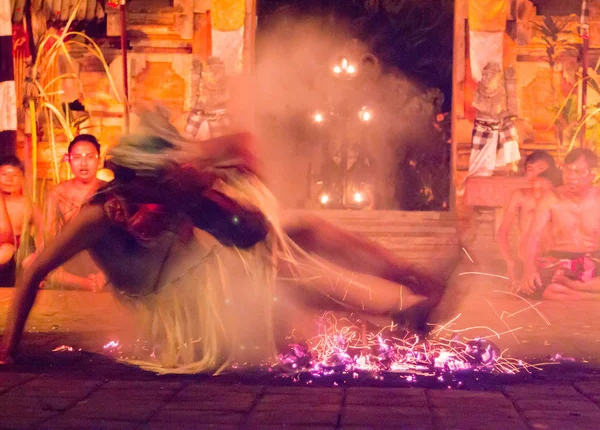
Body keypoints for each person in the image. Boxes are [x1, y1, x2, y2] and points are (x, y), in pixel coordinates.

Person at [0, 107, 448, 373]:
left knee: (301, 235)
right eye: (165, 180)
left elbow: (240, 145)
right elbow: (35, 270)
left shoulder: (175, 178)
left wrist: (228, 176)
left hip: (208, 263)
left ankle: (412, 281)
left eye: (173, 177)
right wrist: (9, 351)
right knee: (279, 283)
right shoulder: (99, 215)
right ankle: (398, 311)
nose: (171, 184)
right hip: (189, 313)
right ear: (138, 182)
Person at [517, 148, 600, 300]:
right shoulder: (551, 198)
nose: (571, 177)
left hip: (594, 261)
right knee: (543, 287)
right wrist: (529, 269)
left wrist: (575, 284)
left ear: (592, 175)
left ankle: (576, 290)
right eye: (568, 171)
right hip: (560, 263)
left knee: (557, 289)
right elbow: (533, 236)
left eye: (578, 172)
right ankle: (588, 295)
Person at [35, 135, 107, 291]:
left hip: (105, 261)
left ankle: (98, 282)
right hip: (71, 259)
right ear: (68, 160)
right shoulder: (57, 193)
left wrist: (103, 275)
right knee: (35, 263)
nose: (83, 163)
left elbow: (124, 240)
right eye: (77, 157)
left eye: (89, 157)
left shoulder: (110, 191)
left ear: (99, 160)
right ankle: (86, 285)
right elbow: (46, 238)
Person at [497, 151, 559, 283]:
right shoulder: (520, 196)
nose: (535, 174)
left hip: (553, 258)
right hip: (526, 260)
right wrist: (509, 261)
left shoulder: (559, 196)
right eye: (530, 169)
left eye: (540, 168)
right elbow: (502, 232)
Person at [0, 156, 41, 287]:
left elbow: (44, 231)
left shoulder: (27, 204)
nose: (9, 179)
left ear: (22, 179)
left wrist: (37, 254)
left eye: (15, 175)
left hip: (20, 252)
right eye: (4, 174)